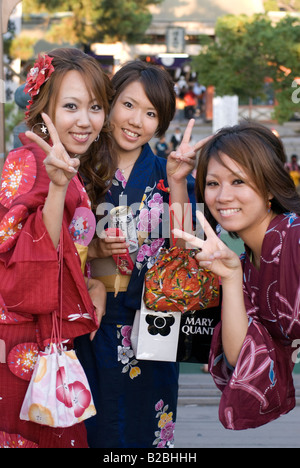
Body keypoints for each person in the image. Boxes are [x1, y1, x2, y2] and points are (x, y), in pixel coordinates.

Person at [75, 60, 209, 448]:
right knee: (91, 431)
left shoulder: (168, 173)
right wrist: (93, 249)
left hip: (153, 331)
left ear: (161, 122)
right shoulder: (81, 168)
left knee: (146, 436)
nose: (136, 121)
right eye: (128, 105)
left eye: (150, 113)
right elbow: (52, 245)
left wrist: (180, 182)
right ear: (110, 104)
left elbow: (186, 251)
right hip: (91, 325)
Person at [0, 48, 115, 448]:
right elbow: (31, 258)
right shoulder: (34, 162)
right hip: (23, 344)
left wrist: (94, 282)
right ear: (42, 109)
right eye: (71, 106)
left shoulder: (59, 163)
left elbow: (64, 252)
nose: (86, 121)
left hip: (45, 342)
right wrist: (59, 189)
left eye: (96, 107)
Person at [174, 122, 300, 431]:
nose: (223, 196)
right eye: (213, 183)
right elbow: (240, 355)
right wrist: (230, 279)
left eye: (238, 181)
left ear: (269, 186)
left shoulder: (295, 238)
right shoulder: (245, 263)